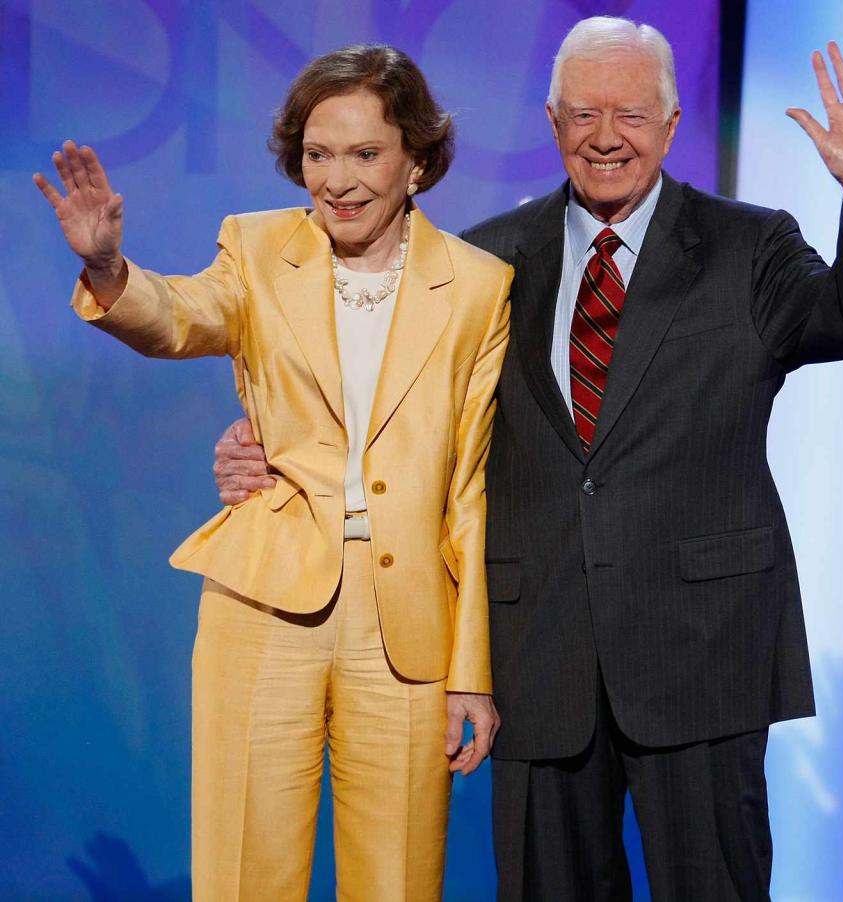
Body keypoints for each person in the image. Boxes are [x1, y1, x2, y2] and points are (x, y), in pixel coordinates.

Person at [213, 17, 843, 902]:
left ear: (668, 123)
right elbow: (394, 420)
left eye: (629, 113)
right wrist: (268, 452)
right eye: (583, 113)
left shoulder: (750, 245)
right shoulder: (483, 263)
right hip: (539, 657)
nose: (605, 135)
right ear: (552, 124)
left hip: (702, 653)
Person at [34, 44, 512, 902]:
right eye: (319, 155)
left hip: (406, 628)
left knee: (398, 881)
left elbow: (468, 492)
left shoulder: (479, 287)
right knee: (244, 874)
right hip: (263, 604)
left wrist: (470, 667)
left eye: (365, 153)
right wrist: (109, 268)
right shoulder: (256, 249)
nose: (339, 179)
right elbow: (178, 316)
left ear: (417, 159)